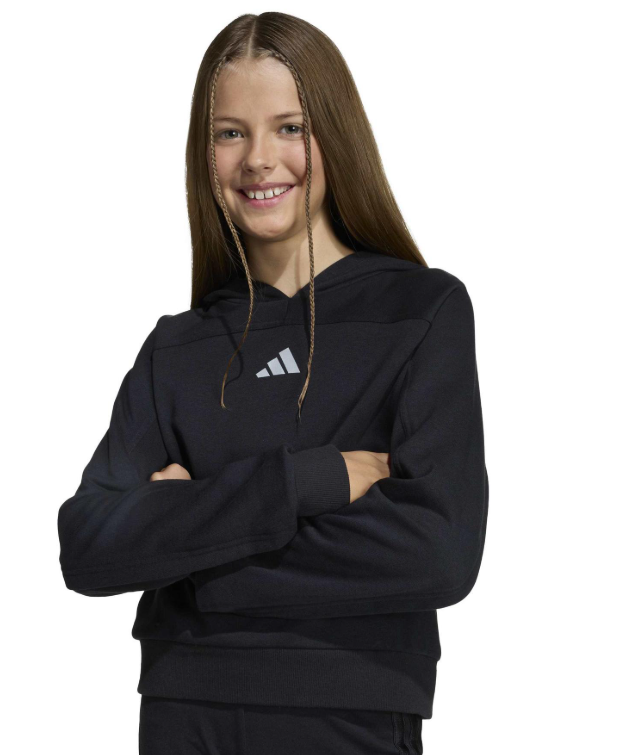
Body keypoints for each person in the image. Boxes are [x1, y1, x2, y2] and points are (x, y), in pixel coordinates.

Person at [57, 11, 489, 754]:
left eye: (289, 127)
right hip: (182, 713)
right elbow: (88, 544)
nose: (259, 159)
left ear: (335, 136)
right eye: (231, 133)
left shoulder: (420, 310)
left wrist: (187, 548)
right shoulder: (178, 346)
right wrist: (311, 480)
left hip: (349, 713)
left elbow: (439, 552)